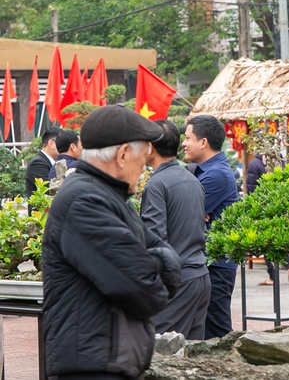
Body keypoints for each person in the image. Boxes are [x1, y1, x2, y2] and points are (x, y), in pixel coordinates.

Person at [42, 105, 182, 380]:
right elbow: (144, 289)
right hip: (89, 366)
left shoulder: (111, 197)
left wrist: (151, 260)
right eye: (143, 160)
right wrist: (155, 262)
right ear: (123, 155)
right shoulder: (84, 201)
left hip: (105, 359)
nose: (144, 169)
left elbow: (163, 259)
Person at [141, 120, 210, 340]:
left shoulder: (156, 184)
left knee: (160, 352)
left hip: (178, 282)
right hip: (200, 275)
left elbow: (155, 241)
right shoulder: (192, 179)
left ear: (150, 148)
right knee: (192, 355)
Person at [182, 115, 239, 339]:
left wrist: (196, 212)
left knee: (217, 330)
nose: (184, 143)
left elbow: (186, 212)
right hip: (208, 263)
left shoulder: (216, 174)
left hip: (217, 265)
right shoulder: (205, 171)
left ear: (203, 142)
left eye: (187, 138)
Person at [246, 153, 289, 286]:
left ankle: (273, 276)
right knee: (280, 239)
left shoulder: (254, 164)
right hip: (280, 206)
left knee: (268, 241)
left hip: (264, 208)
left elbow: (251, 188)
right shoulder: (281, 162)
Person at [25, 126, 61, 211]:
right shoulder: (37, 163)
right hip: (41, 217)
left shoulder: (53, 162)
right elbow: (49, 190)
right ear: (51, 143)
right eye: (61, 143)